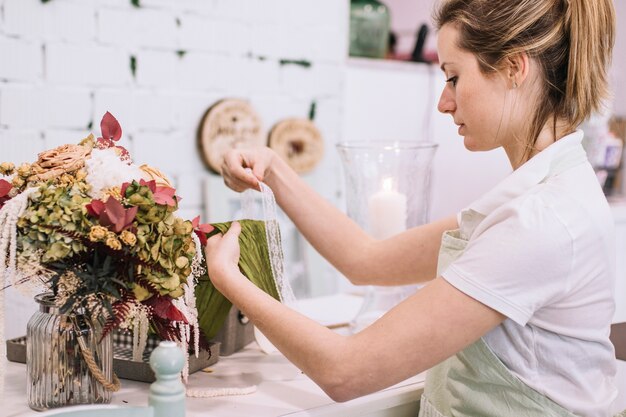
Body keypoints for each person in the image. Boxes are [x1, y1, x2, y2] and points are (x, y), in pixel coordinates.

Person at [205, 0, 621, 415]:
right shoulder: (542, 194)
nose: (444, 101)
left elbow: (346, 372)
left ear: (514, 68)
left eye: (454, 77)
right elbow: (366, 259)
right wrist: (274, 171)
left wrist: (230, 279)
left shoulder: (541, 222)